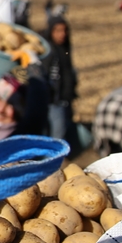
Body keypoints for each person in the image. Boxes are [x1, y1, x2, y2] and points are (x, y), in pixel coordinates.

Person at [41, 16, 78, 147]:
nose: (62, 34)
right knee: (56, 138)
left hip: (64, 100)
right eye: (58, 30)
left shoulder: (64, 48)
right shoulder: (48, 51)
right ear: (51, 31)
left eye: (64, 30)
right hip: (53, 101)